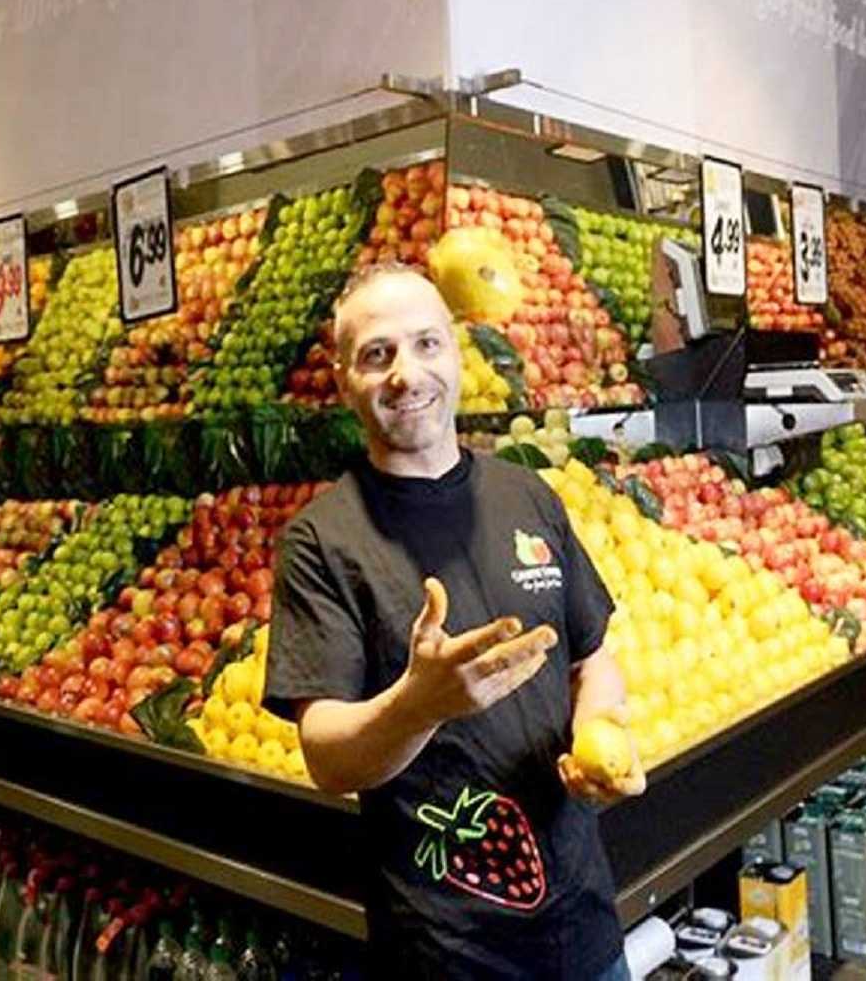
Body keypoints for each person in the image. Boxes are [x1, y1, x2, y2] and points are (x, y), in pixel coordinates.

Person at [263, 262, 646, 980]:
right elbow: (327, 758)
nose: (406, 374)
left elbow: (590, 658)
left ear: (456, 353)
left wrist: (603, 735)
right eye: (377, 354)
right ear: (343, 380)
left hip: (586, 929)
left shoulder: (529, 496)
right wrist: (420, 705)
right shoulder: (321, 541)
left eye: (426, 344)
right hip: (443, 952)